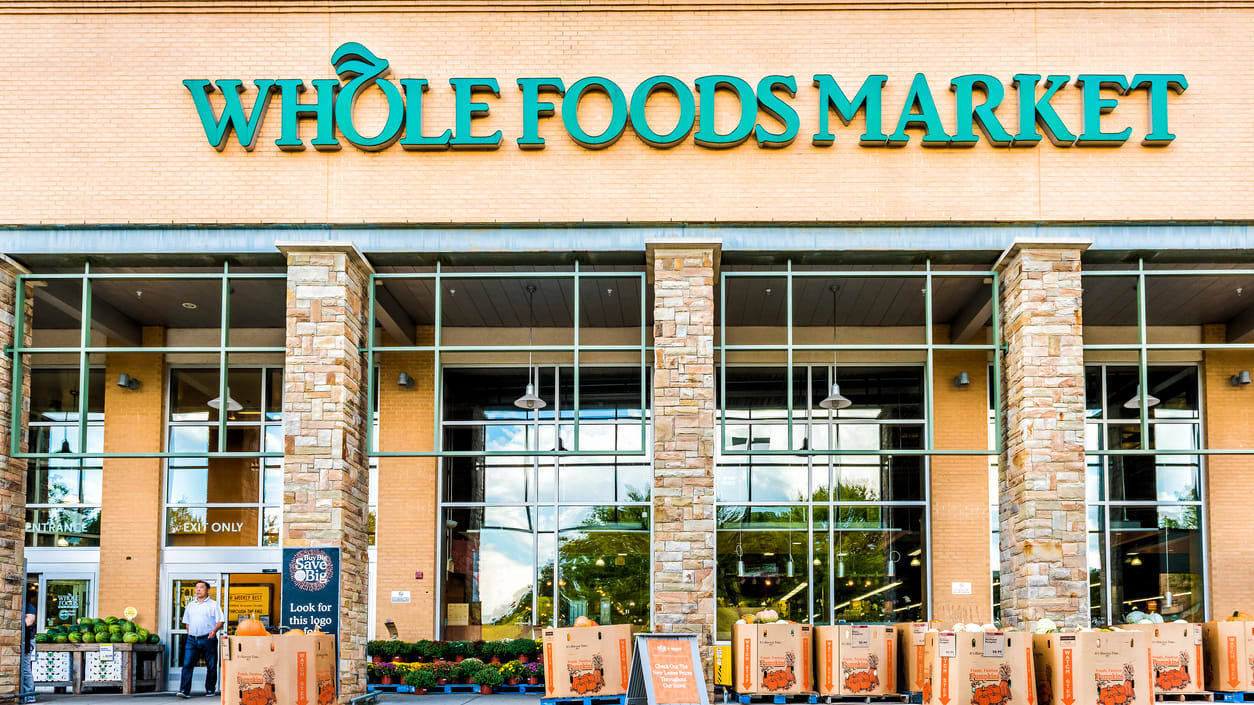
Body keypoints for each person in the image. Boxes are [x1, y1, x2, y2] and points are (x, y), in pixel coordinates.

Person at [178, 580, 225, 699]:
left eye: (201, 587)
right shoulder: (190, 605)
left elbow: (220, 621)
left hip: (208, 639)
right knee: (187, 664)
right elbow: (187, 622)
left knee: (211, 665)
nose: (198, 590)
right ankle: (184, 690)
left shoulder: (213, 604)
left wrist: (214, 631)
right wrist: (189, 633)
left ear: (207, 590)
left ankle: (210, 689)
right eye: (196, 588)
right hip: (192, 640)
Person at [20, 588, 36, 704]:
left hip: (27, 640)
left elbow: (28, 621)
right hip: (20, 639)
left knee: (25, 668)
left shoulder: (28, 606)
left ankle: (30, 695)